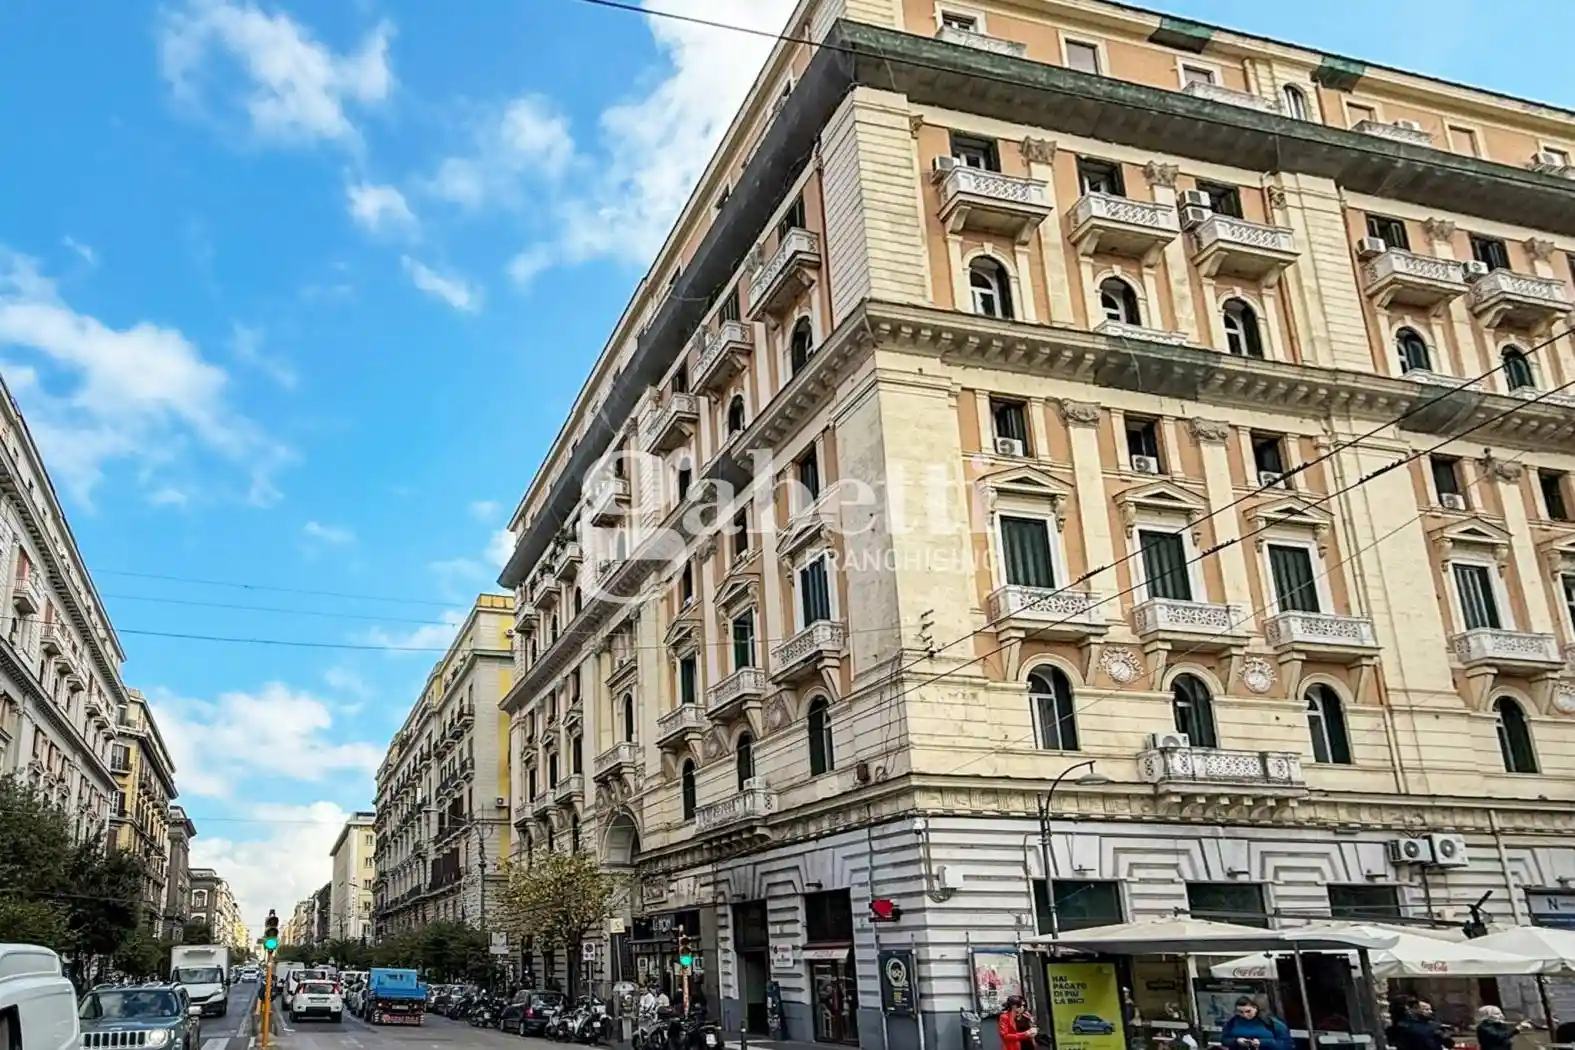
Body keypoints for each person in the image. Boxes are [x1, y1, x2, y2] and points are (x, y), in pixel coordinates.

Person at [1220, 997, 1290, 1050]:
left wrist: (1262, 1043)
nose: (1244, 1015)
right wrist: (1236, 1041)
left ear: (1255, 1008)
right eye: (1240, 1012)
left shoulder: (1273, 1022)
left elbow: (1285, 1044)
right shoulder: (1233, 1022)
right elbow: (1224, 1040)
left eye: (1248, 1011)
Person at [1386, 995, 1453, 1050]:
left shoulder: (1392, 1029)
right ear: (1407, 1008)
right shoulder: (1422, 1029)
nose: (1430, 1012)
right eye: (1415, 1006)